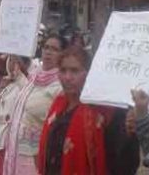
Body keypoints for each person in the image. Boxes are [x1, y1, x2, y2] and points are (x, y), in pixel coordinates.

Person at [38, 46, 139, 175]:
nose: (67, 77)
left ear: (89, 73)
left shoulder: (105, 111)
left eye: (75, 71)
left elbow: (124, 162)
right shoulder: (58, 104)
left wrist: (131, 132)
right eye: (63, 70)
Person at [3, 34, 67, 175]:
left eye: (54, 49)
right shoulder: (34, 78)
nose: (48, 52)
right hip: (16, 151)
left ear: (63, 55)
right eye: (46, 47)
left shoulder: (61, 86)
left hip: (37, 156)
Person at [0, 56, 31, 175]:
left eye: (16, 61)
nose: (12, 64)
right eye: (11, 60)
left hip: (10, 138)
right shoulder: (8, 82)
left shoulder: (24, 84)